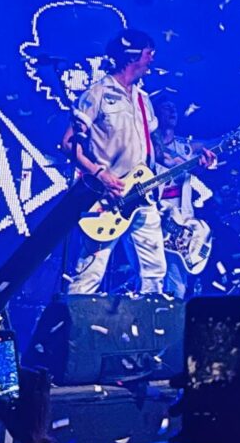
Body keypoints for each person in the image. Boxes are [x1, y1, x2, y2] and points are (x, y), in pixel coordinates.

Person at [61, 29, 173, 297]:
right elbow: (68, 143)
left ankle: (149, 334)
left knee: (154, 275)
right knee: (89, 274)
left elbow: (157, 149)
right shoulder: (97, 94)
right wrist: (100, 174)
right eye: (149, 53)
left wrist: (193, 162)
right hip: (105, 199)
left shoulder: (143, 100)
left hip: (142, 197)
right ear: (133, 55)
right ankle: (72, 333)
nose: (152, 60)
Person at [152, 99, 216, 300]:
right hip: (152, 218)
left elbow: (211, 144)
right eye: (166, 106)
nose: (172, 110)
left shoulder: (185, 148)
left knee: (177, 284)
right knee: (151, 277)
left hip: (179, 226)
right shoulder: (147, 146)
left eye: (174, 107)